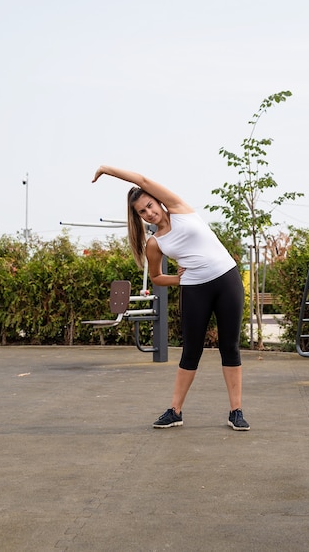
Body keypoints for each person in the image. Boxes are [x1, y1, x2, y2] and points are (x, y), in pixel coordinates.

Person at [92, 165, 250, 431]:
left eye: (150, 205)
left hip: (227, 280)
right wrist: (179, 279)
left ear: (157, 201)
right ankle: (175, 411)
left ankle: (236, 411)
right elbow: (156, 278)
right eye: (142, 211)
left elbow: (141, 179)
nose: (150, 212)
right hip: (194, 289)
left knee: (230, 346)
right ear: (139, 217)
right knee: (191, 351)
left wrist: (107, 170)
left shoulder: (179, 209)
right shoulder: (155, 243)